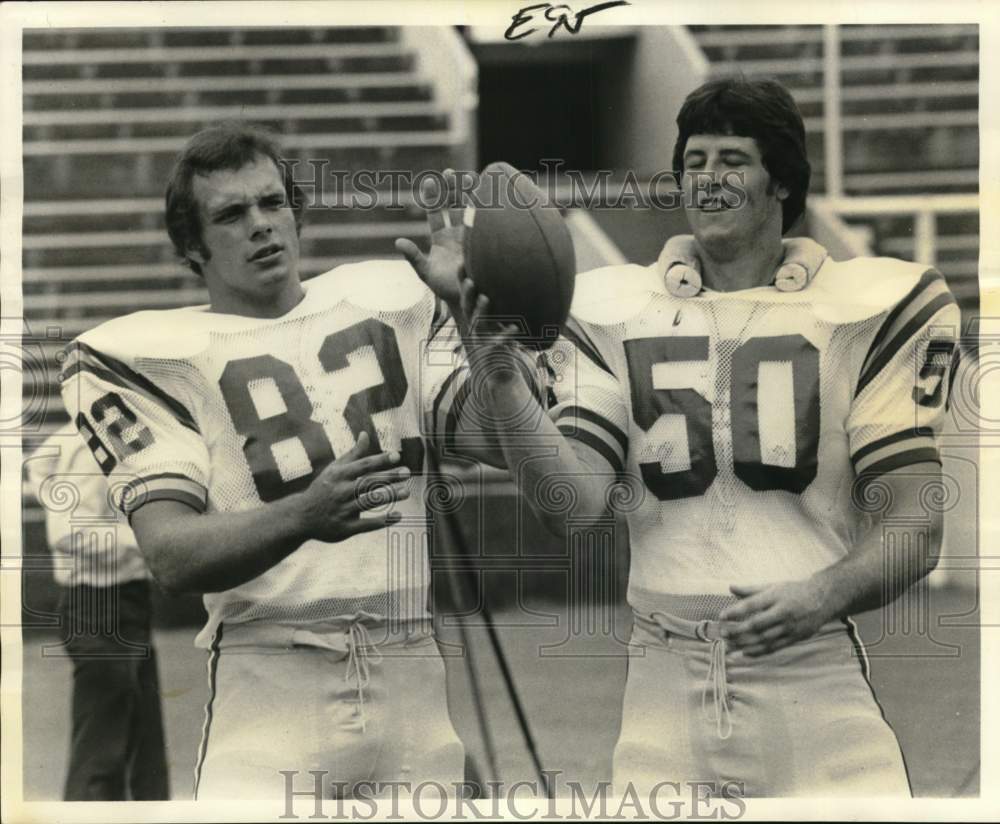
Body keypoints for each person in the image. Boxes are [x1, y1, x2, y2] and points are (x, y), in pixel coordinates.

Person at [454, 76, 960, 796]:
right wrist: (502, 381)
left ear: (781, 182)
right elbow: (571, 507)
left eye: (732, 160)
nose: (709, 179)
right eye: (694, 162)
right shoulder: (616, 311)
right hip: (665, 690)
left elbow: (916, 523)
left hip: (812, 678)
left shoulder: (859, 311)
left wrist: (822, 593)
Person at [59, 124, 473, 800]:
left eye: (272, 203)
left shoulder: (389, 302)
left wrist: (473, 320)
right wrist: (304, 514)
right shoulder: (155, 356)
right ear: (192, 247)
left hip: (411, 679)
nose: (260, 225)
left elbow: (499, 439)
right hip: (270, 686)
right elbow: (171, 556)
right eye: (231, 214)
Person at [26, 423, 169, 801]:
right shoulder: (88, 445)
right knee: (104, 747)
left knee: (142, 746)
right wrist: (153, 539)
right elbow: (70, 533)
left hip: (125, 599)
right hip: (97, 602)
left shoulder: (112, 437)